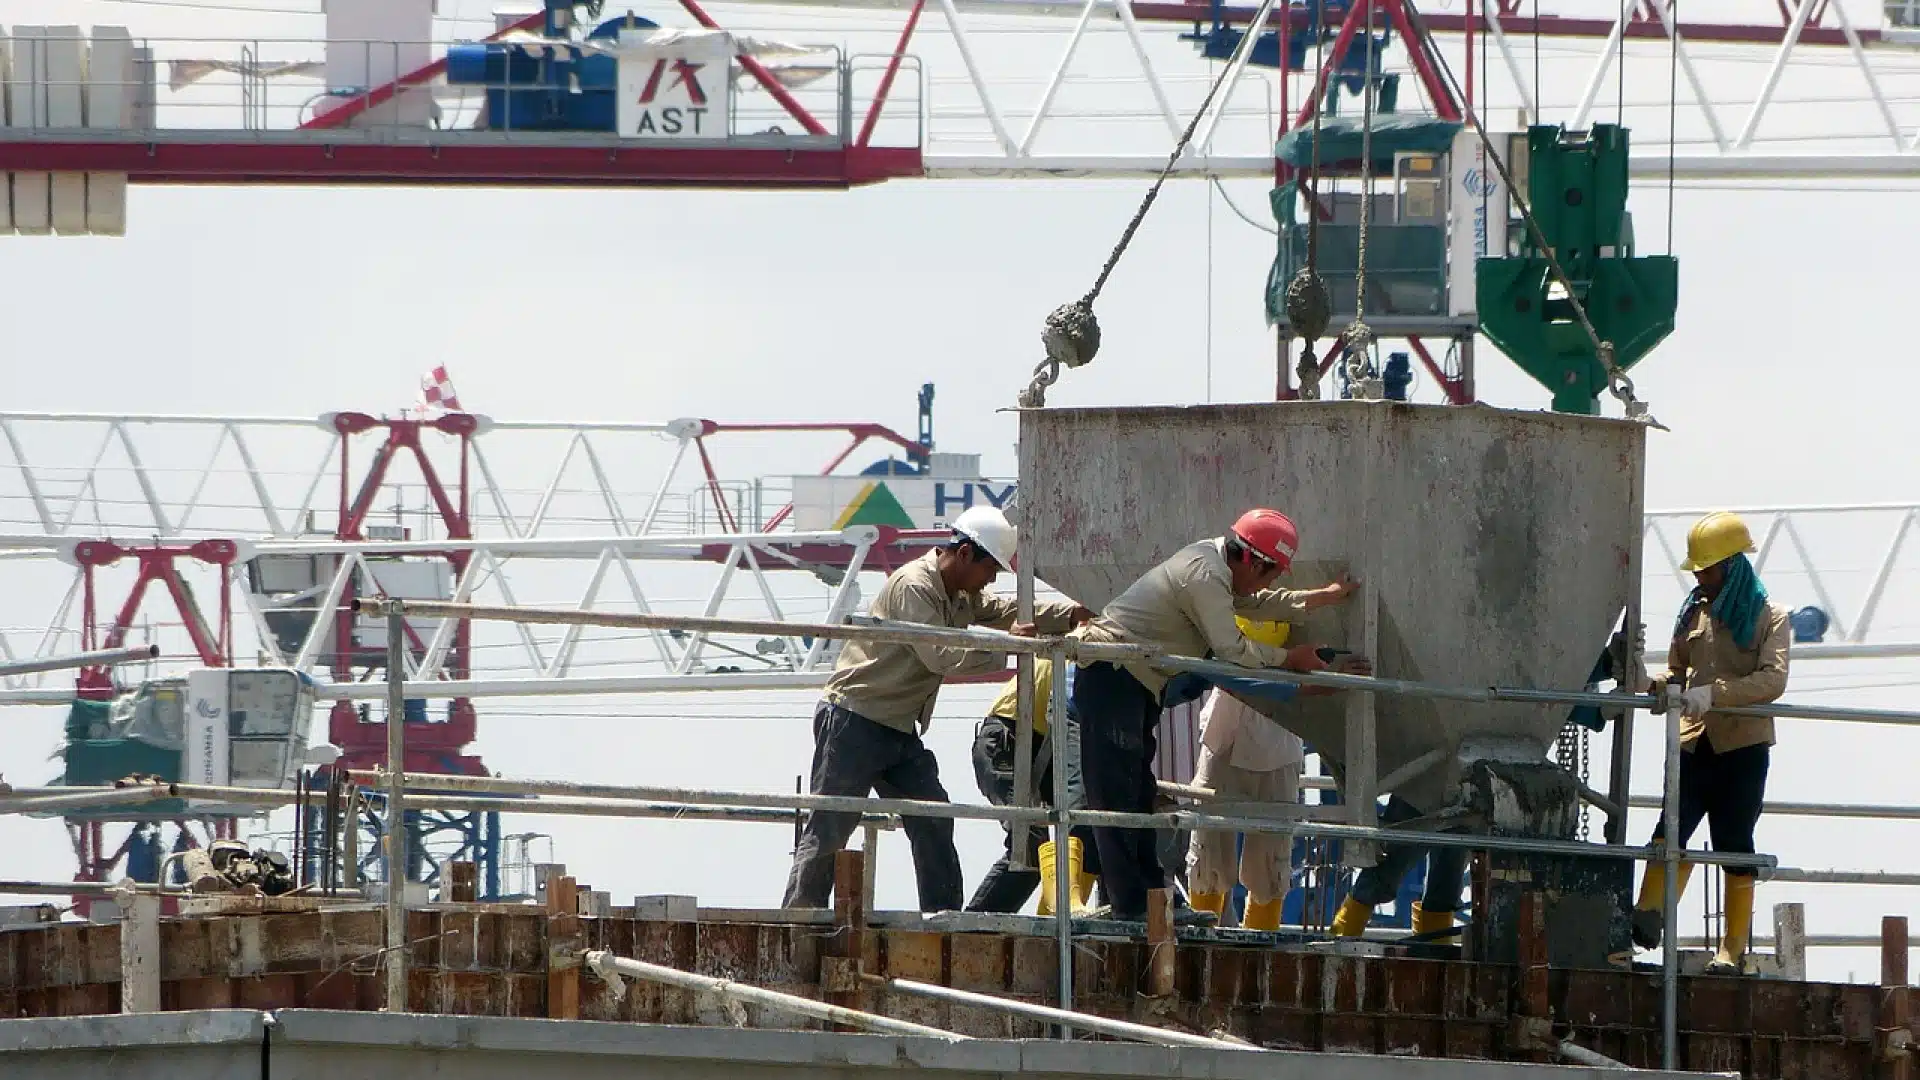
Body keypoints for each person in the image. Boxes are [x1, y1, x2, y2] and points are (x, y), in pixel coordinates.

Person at [781, 506, 1092, 912]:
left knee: (933, 817)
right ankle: (800, 919)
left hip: (897, 728)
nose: (991, 579)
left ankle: (943, 918)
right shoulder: (915, 586)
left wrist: (1070, 616)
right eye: (990, 569)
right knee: (832, 822)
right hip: (855, 719)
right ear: (965, 555)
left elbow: (1004, 612)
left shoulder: (959, 592)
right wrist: (1011, 649)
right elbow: (941, 657)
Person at [1069, 507, 1369, 926]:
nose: (1268, 583)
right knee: (1116, 796)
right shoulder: (1203, 575)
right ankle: (1132, 906)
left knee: (1137, 793)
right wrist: (1291, 661)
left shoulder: (1220, 570)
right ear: (1249, 558)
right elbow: (1233, 652)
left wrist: (1319, 598)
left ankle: (1153, 900)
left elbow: (1258, 602)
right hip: (1111, 676)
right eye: (1270, 572)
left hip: (1135, 683)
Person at [1628, 510, 1790, 975]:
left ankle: (1732, 948)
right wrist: (1653, 685)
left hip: (1742, 747)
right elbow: (1678, 674)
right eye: (1698, 570)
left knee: (1733, 840)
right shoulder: (1693, 613)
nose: (1701, 577)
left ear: (1733, 566)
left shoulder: (1770, 618)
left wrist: (1713, 695)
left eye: (1708, 569)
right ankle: (1646, 921)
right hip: (1695, 743)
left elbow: (1772, 680)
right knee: (1669, 830)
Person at [1183, 618, 1310, 931]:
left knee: (1271, 865)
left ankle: (1260, 954)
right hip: (1223, 731)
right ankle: (1201, 946)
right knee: (1207, 853)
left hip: (1280, 733)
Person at [963, 656, 1102, 915]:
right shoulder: (1076, 648)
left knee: (1085, 825)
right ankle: (980, 921)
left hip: (1041, 746)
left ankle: (1058, 909)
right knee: (1029, 843)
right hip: (1007, 740)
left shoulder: (1079, 654)